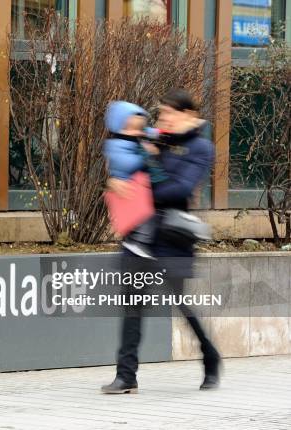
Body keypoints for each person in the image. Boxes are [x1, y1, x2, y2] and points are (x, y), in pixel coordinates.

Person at [101, 89, 221, 394]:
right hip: (139, 234)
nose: (163, 118)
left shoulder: (200, 147)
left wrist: (141, 187)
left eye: (169, 113)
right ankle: (126, 375)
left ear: (188, 114)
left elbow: (181, 188)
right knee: (132, 304)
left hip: (172, 236)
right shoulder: (155, 139)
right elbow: (127, 164)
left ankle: (210, 355)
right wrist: (116, 182)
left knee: (180, 303)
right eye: (162, 113)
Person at [103, 101, 167, 259]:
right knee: (143, 218)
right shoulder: (116, 144)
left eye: (139, 128)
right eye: (131, 128)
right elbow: (124, 162)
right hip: (128, 186)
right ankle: (138, 242)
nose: (136, 132)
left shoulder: (138, 135)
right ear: (119, 127)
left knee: (144, 217)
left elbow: (150, 132)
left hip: (137, 186)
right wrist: (144, 157)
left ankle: (138, 242)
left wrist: (161, 133)